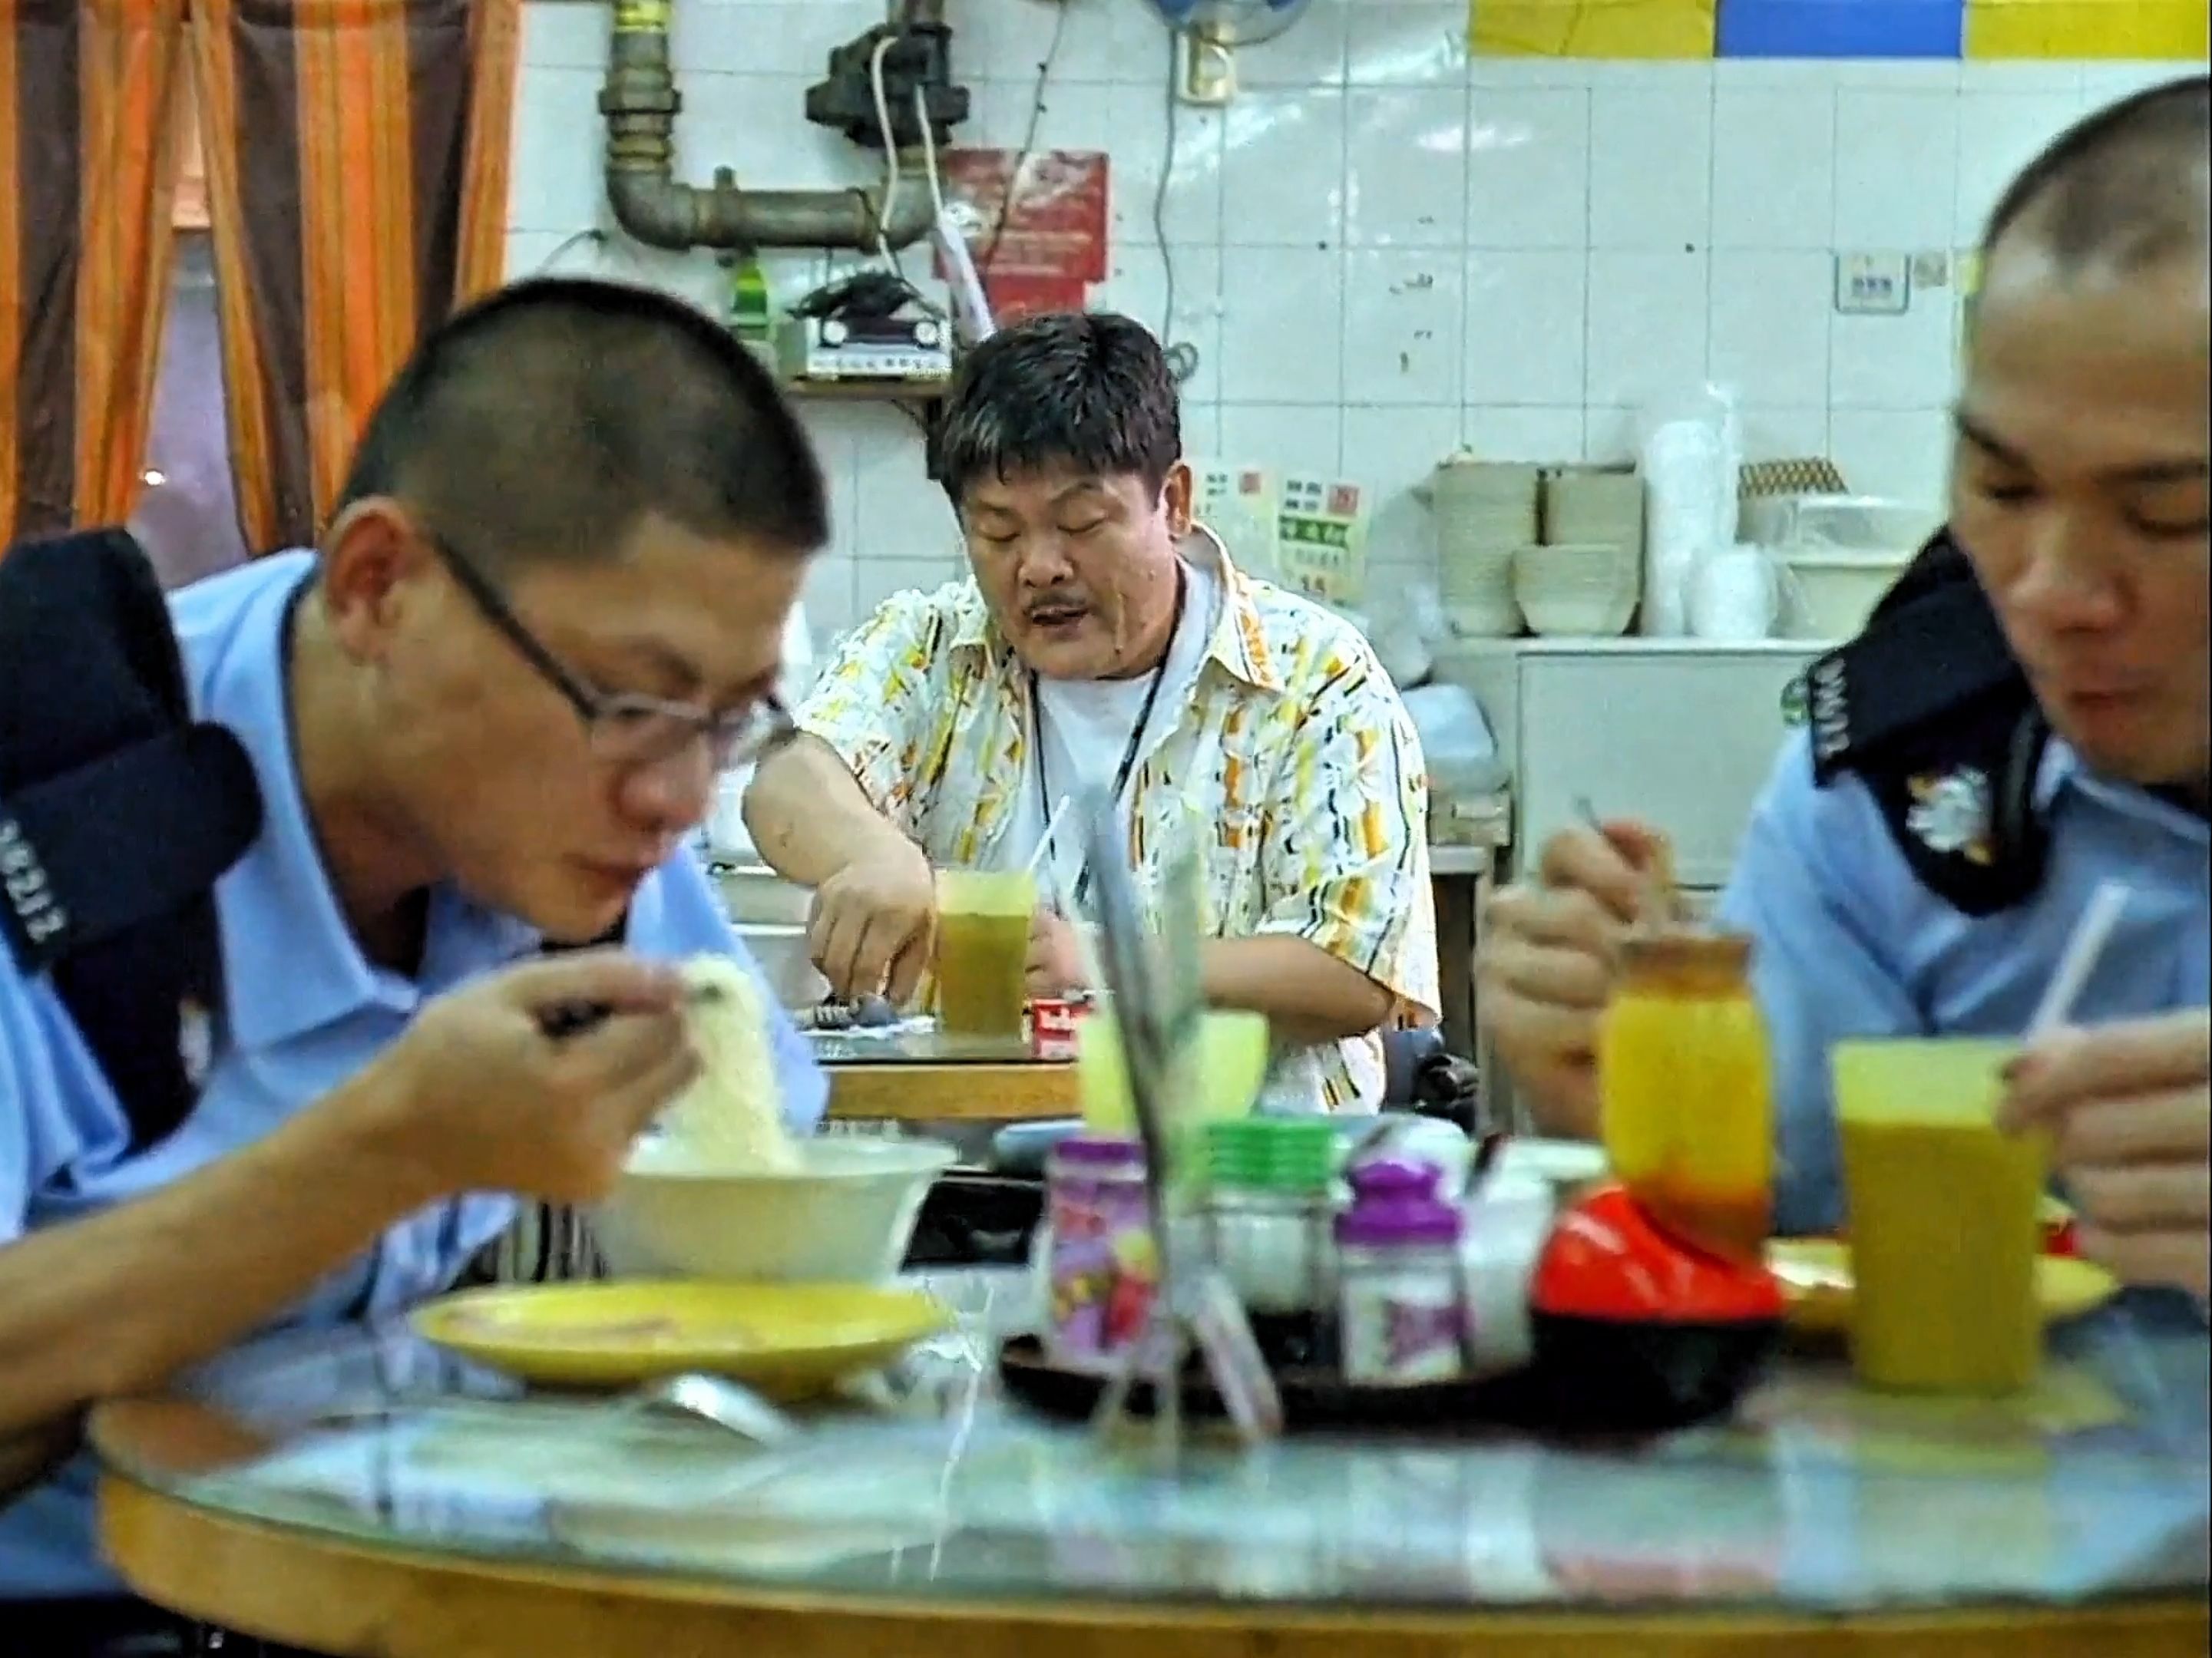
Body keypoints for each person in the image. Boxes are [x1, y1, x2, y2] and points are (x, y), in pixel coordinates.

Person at [0, 278, 832, 1637]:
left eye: (729, 720)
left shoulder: (581, 812)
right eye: (634, 704)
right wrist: (395, 1149)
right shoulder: (50, 795)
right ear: (381, 588)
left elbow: (756, 1172)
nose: (680, 800)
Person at [1476, 76, 2210, 1300]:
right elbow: (1784, 1245)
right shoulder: (1906, 768)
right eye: (2003, 488)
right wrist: (1638, 1113)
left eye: (2167, 512)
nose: (2051, 590)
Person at [744, 311, 1438, 1112]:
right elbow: (789, 772)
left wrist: (1101, 963)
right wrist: (877, 856)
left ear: (1172, 503)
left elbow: (1357, 973)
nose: (1039, 568)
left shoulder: (1311, 677)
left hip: (1226, 1180)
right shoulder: (934, 644)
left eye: (1080, 525)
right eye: (997, 533)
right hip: (963, 1173)